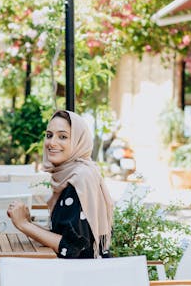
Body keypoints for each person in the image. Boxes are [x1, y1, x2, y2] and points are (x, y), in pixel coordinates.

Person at [7, 110, 113, 258]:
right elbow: (64, 235)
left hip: (83, 276)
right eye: (49, 135)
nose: (52, 143)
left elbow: (71, 247)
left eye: (63, 137)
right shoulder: (72, 174)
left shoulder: (79, 178)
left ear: (78, 141)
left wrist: (24, 225)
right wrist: (27, 223)